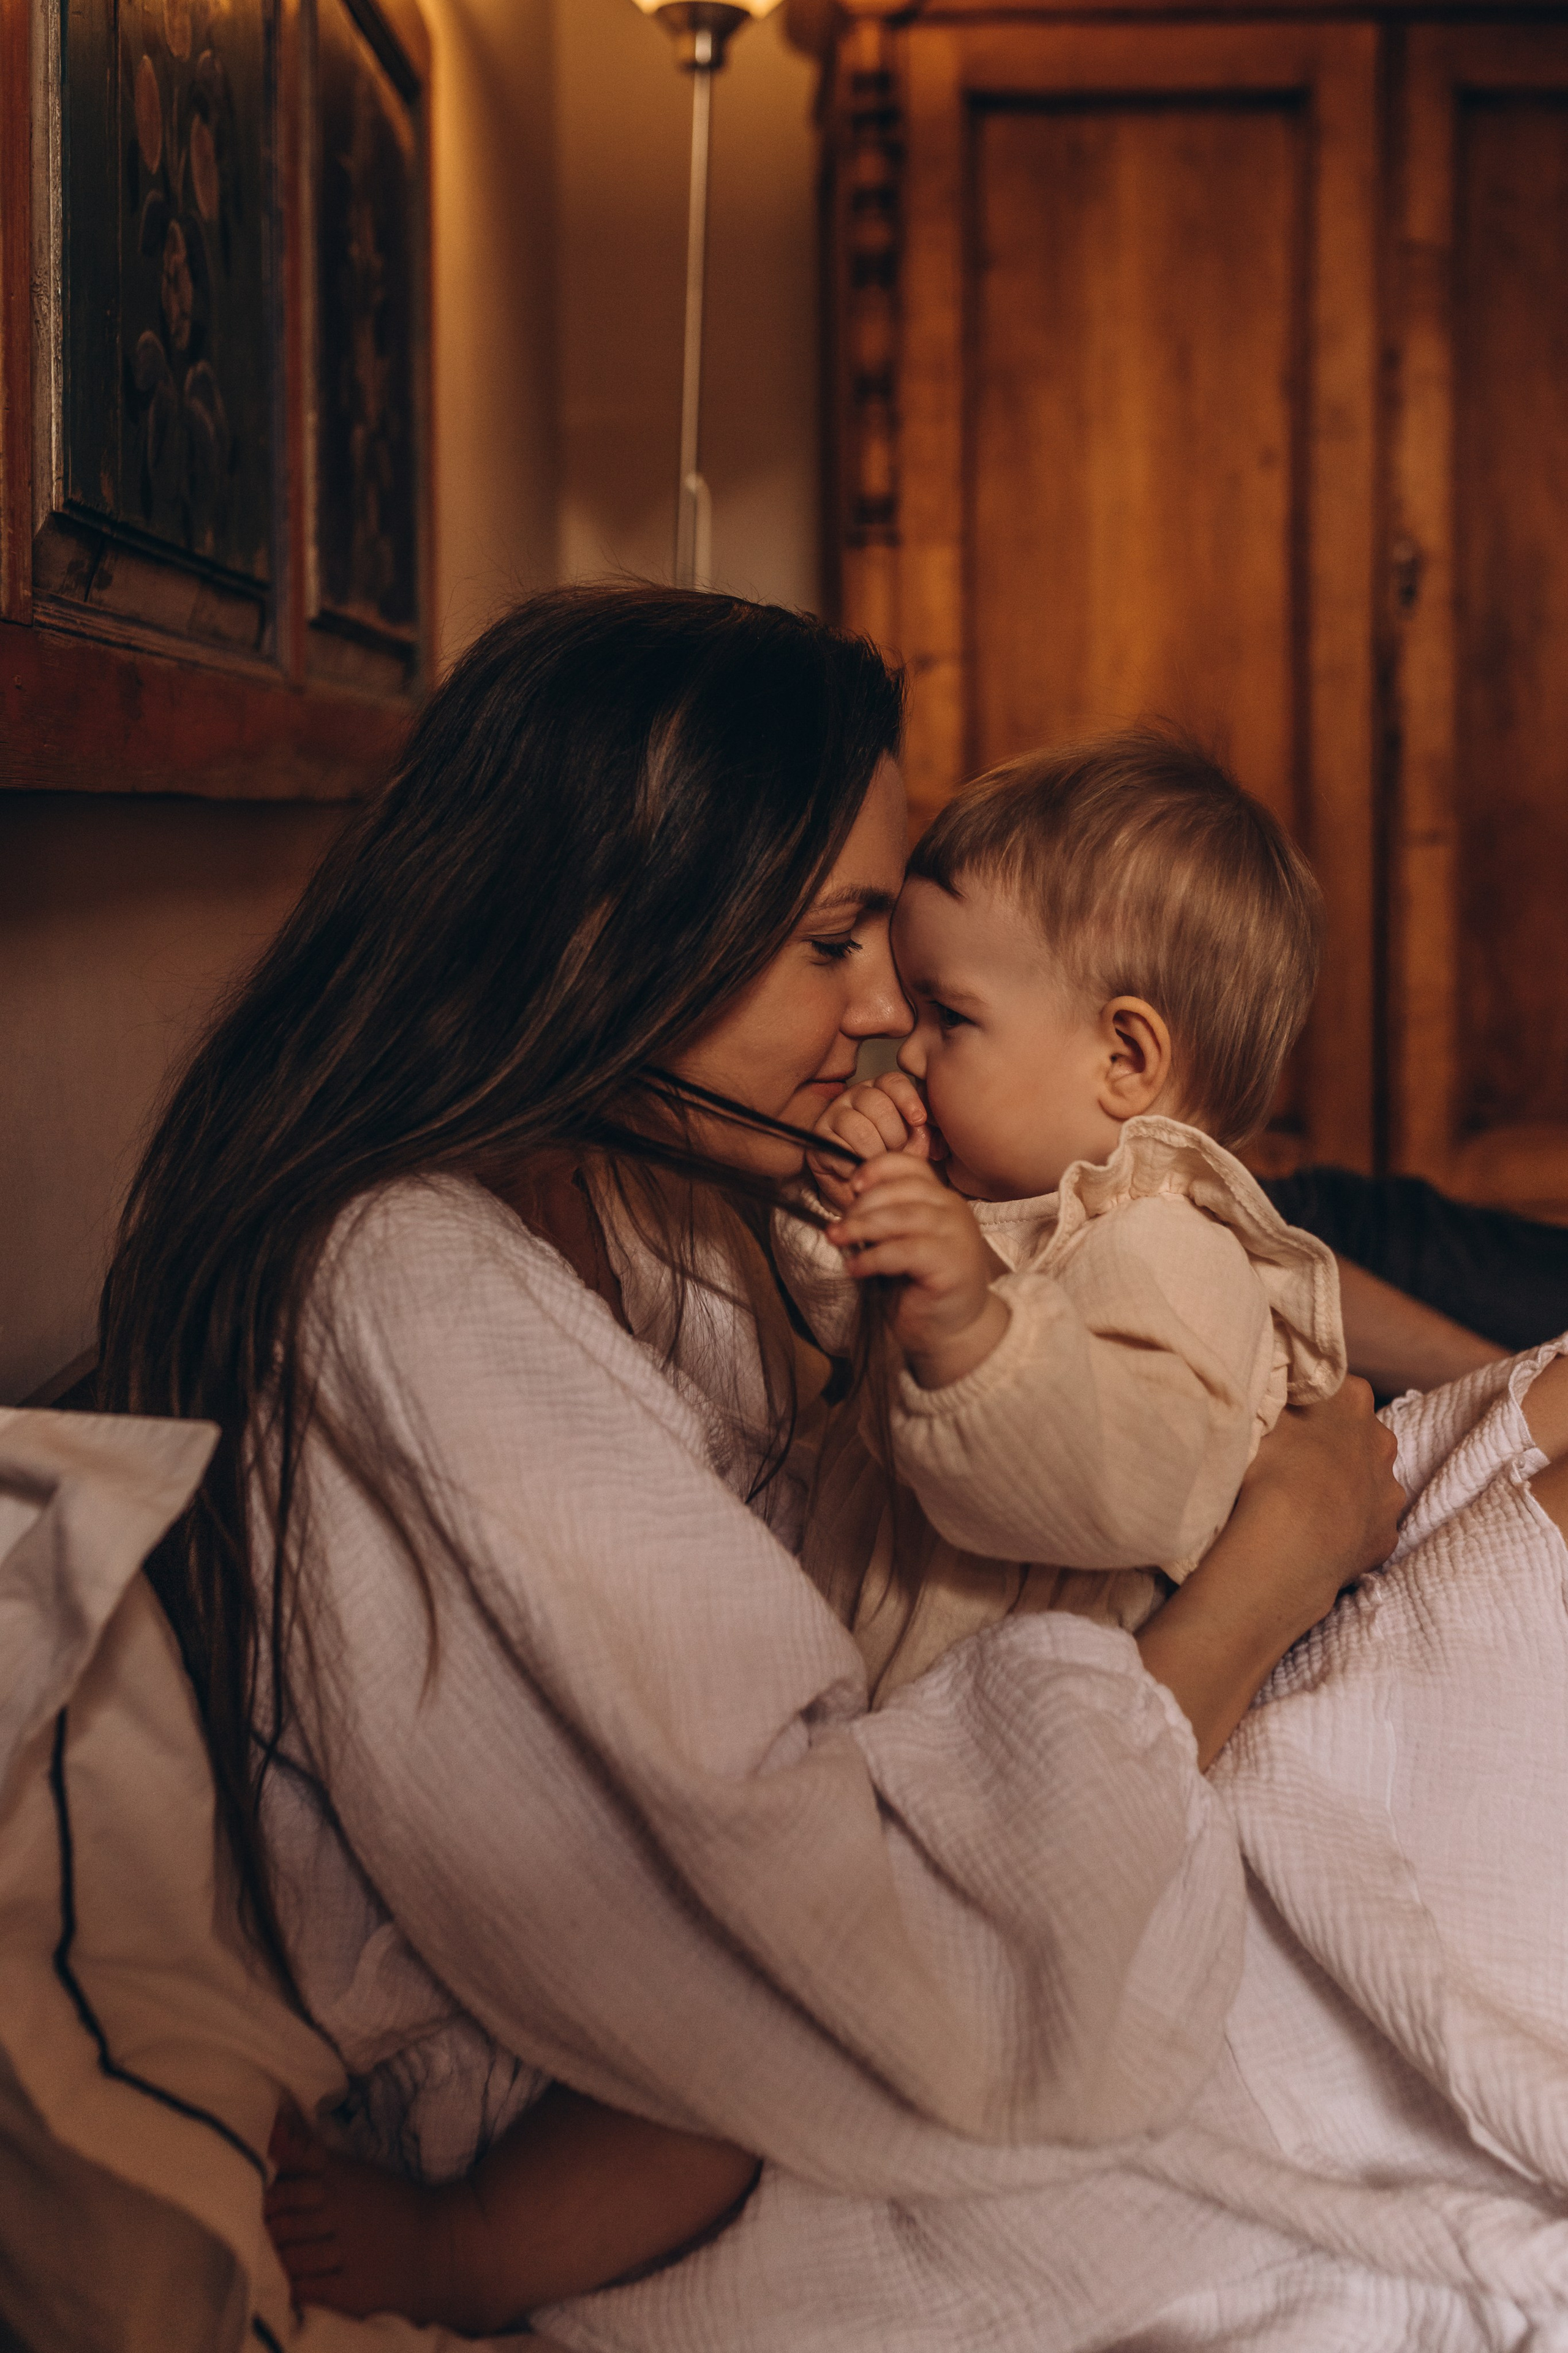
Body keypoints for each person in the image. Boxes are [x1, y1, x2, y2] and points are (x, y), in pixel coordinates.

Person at [95, 586, 1568, 2351]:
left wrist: (1346, 1447)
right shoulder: (409, 1285)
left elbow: (1133, 1296)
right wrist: (1267, 1580)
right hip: (795, 2024)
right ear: (607, 927)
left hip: (1037, 1761)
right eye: (834, 942)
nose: (881, 1013)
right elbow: (818, 1937)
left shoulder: (639, 1182)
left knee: (1533, 1412)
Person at [780, 733, 1568, 1698]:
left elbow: (1128, 1486)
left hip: (1022, 1725)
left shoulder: (1171, 1253)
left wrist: (968, 1331)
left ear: (1124, 1057)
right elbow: (844, 1347)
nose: (906, 1050)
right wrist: (846, 1202)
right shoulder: (995, 1208)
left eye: (951, 1016)